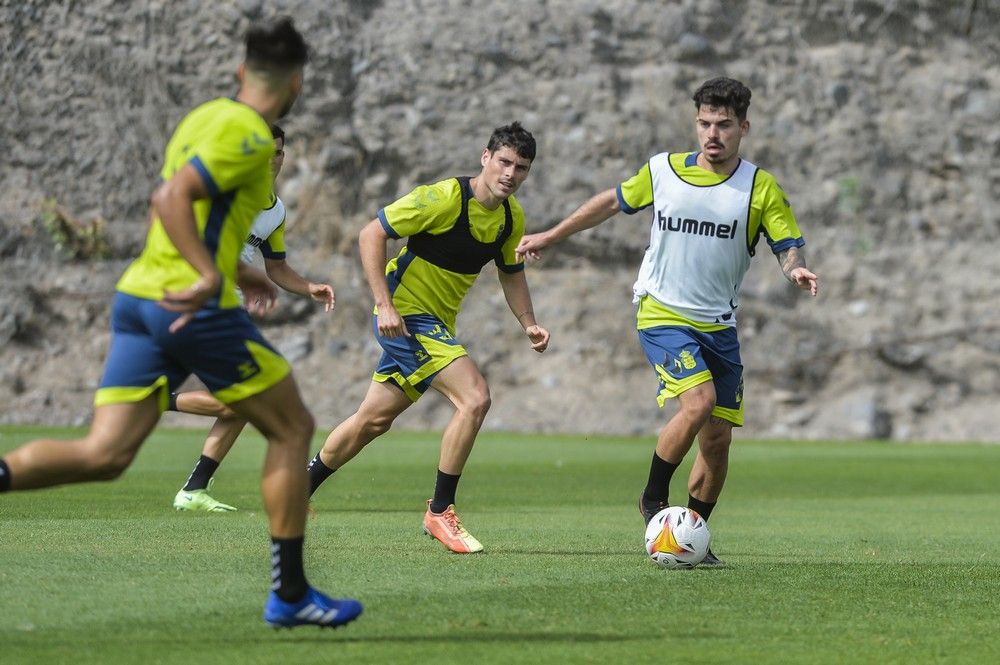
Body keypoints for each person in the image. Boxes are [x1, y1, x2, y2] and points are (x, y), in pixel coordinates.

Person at [0, 17, 363, 627]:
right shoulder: (250, 136)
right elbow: (169, 201)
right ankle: (291, 595)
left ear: (241, 70)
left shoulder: (202, 118)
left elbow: (188, 204)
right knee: (294, 426)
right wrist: (206, 275)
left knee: (105, 454)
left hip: (139, 297)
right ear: (298, 82)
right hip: (190, 308)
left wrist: (242, 273)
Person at [516, 77, 818, 565]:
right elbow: (611, 202)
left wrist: (795, 269)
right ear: (695, 123)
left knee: (718, 440)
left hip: (719, 325)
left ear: (744, 127)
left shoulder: (758, 188)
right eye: (704, 123)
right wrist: (551, 235)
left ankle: (691, 536)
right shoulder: (664, 171)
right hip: (662, 311)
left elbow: (787, 244)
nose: (712, 134)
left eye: (723, 125)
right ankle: (654, 498)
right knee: (697, 403)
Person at [307, 122, 550, 554]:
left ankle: (296, 489)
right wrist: (385, 305)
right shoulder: (442, 198)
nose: (511, 174)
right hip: (406, 318)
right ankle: (440, 511)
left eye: (522, 167)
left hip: (435, 326)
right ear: (485, 157)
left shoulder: (511, 219)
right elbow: (371, 234)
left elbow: (512, 274)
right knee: (475, 397)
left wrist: (528, 322)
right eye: (505, 162)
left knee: (372, 421)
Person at [170, 123, 336, 514]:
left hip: (231, 311)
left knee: (245, 401)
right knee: (250, 398)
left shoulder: (275, 210)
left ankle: (194, 489)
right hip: (205, 303)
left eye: (277, 152)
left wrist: (308, 287)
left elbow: (277, 268)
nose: (271, 160)